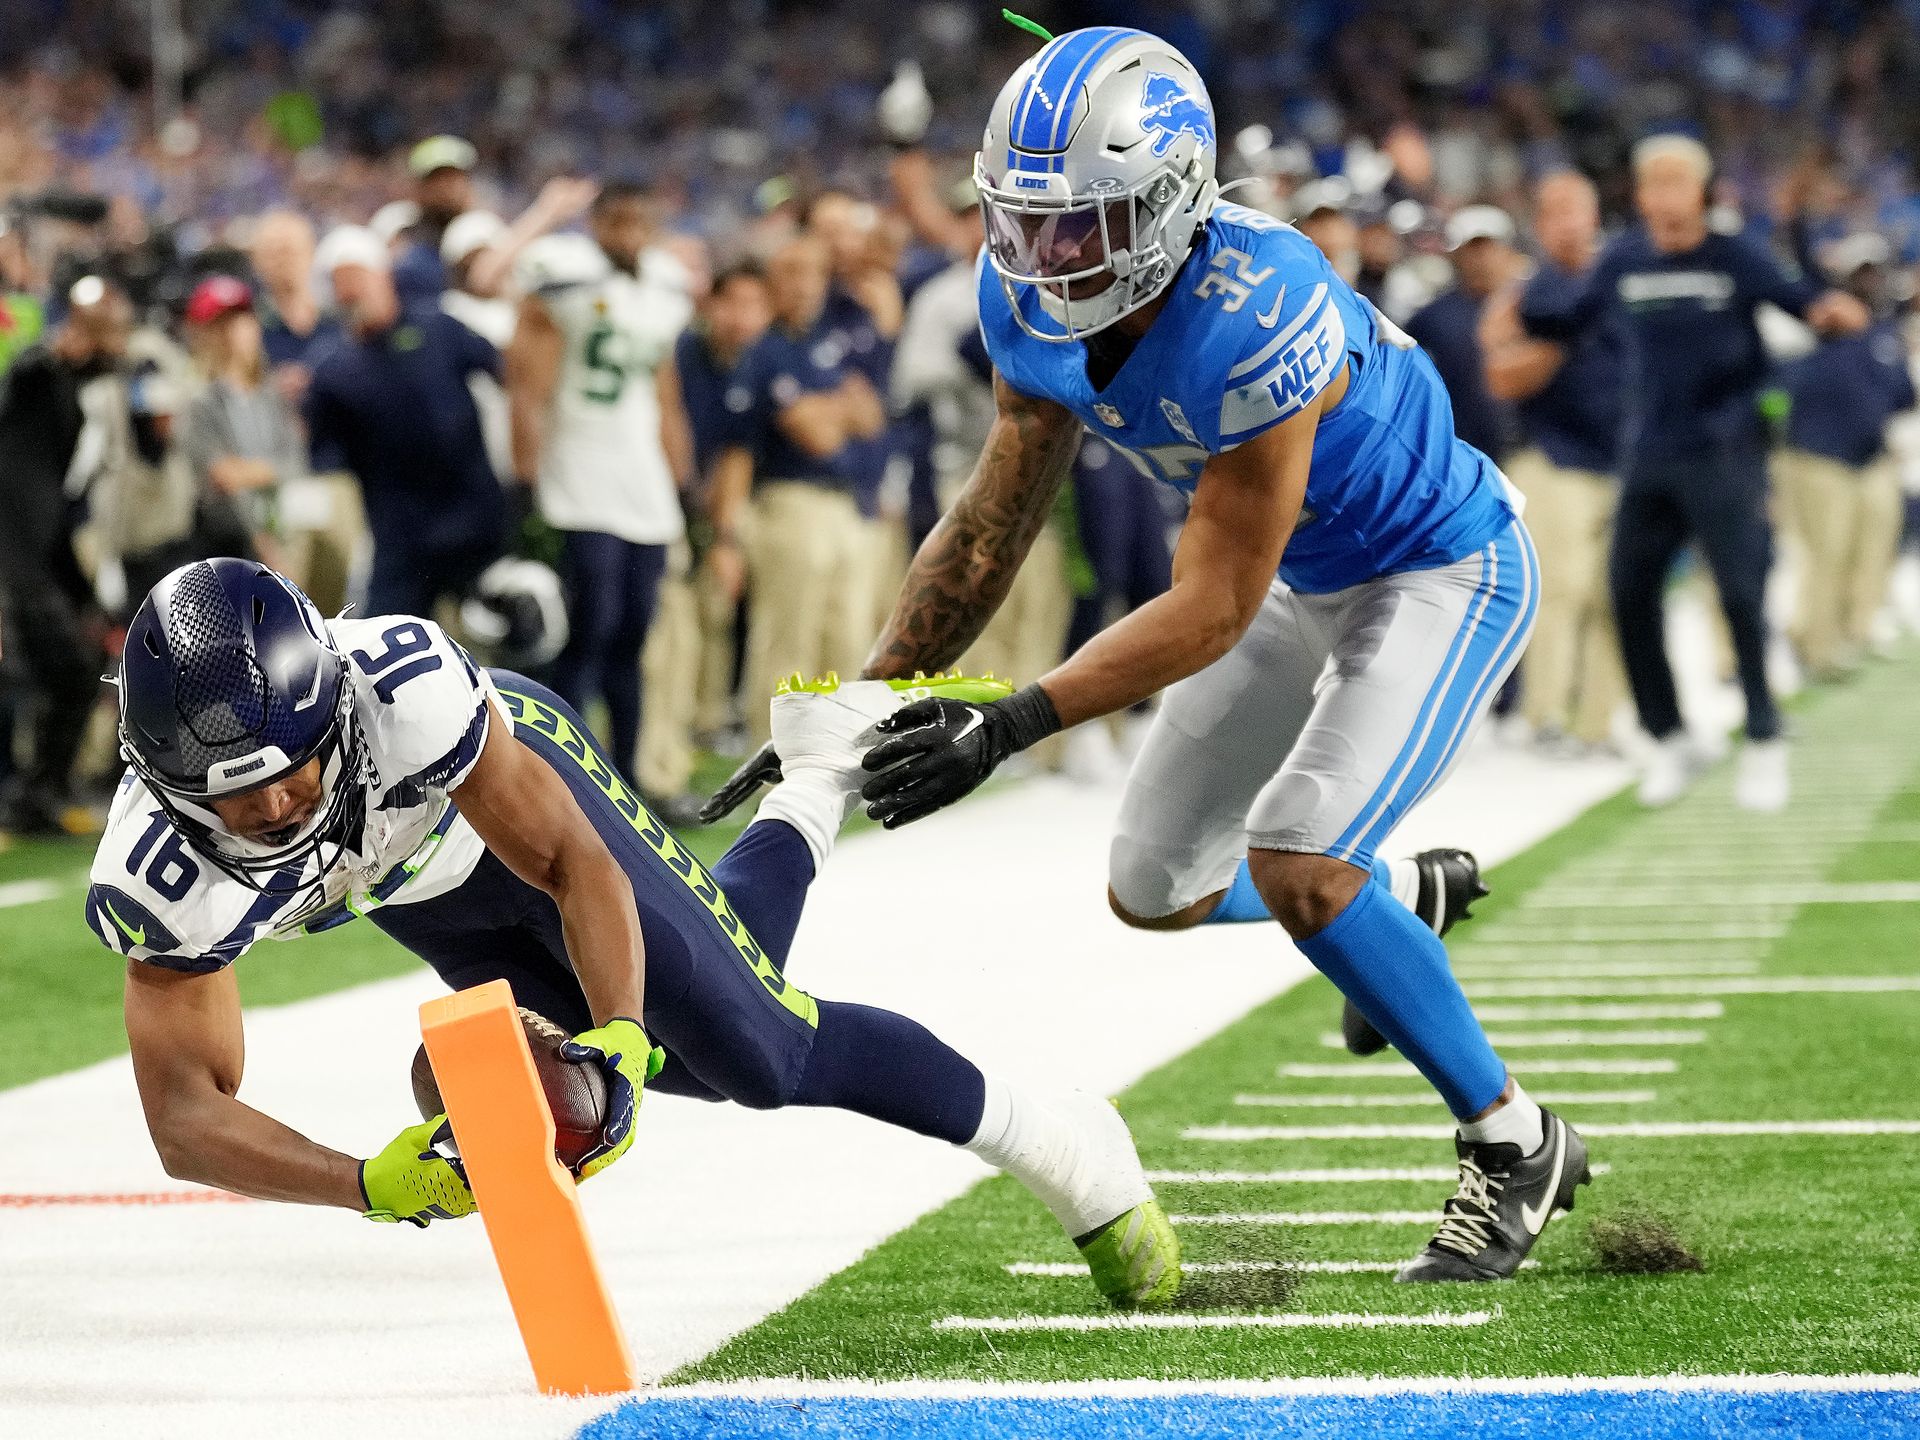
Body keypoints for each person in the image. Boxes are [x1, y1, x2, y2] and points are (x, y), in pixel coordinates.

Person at [711, 26, 1572, 1285]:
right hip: (1293, 578)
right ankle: (1385, 910)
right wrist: (868, 699)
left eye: (1083, 224)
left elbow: (1216, 603)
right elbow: (995, 519)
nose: (1047, 255)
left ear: (1172, 203)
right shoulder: (1027, 296)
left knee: (1297, 863)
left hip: (1434, 568)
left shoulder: (1261, 305)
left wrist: (1007, 721)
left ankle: (1513, 1139)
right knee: (1154, 883)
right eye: (1028, 220)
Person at [88, 557, 1178, 1312]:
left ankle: (1064, 1141)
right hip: (424, 891)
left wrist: (613, 1028)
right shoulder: (161, 881)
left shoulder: (406, 694)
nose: (276, 810)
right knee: (700, 1036)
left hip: (508, 803)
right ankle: (816, 766)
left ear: (331, 704)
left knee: (763, 1051)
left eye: (296, 771)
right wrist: (369, 1182)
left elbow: (570, 867)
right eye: (236, 799)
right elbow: (186, 1119)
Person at [1521, 134, 1870, 812]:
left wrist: (1832, 312)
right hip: (1648, 452)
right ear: (1642, 194)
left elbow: (1803, 304)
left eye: (1681, 181)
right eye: (1656, 182)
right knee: (1626, 596)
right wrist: (1527, 294)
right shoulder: (1622, 259)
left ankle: (1765, 734)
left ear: (1701, 192)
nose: (1668, 195)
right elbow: (1564, 319)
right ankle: (1669, 735)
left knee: (1741, 595)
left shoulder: (1733, 255)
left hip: (1726, 452)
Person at [505, 183, 694, 788]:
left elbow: (666, 393)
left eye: (638, 220)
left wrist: (681, 478)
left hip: (640, 476)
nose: (627, 233)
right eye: (615, 221)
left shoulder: (663, 289)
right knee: (590, 627)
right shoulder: (563, 279)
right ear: (594, 224)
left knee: (635, 631)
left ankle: (631, 779)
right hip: (577, 468)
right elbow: (527, 386)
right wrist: (527, 479)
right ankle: (572, 780)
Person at [708, 234, 888, 750]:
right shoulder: (764, 352)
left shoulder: (833, 341)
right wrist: (836, 410)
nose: (803, 285)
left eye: (812, 272)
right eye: (790, 273)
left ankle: (835, 757)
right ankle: (774, 760)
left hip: (846, 502)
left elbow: (871, 418)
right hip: (788, 501)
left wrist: (824, 409)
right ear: (772, 283)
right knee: (788, 638)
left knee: (848, 638)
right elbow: (816, 434)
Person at [1481, 172, 1627, 751]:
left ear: (1594, 217)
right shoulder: (1526, 292)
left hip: (1620, 457)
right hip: (1553, 455)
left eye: (1577, 210)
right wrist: (1560, 343)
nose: (1568, 223)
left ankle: (1597, 724)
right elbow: (1498, 373)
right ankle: (1544, 717)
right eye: (1555, 212)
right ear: (1540, 225)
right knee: (1561, 588)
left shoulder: (1620, 280)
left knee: (1613, 594)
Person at [305, 224, 506, 618]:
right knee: (385, 656)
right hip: (401, 537)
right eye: (340, 285)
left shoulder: (439, 326)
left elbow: (509, 374)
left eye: (356, 278)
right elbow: (327, 463)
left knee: (500, 644)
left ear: (382, 274)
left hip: (476, 519)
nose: (350, 293)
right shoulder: (331, 370)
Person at [0, 274, 128, 833]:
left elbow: (57, 506)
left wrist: (84, 592)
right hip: (11, 559)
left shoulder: (79, 400)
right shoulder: (37, 377)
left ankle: (38, 793)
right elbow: (26, 372)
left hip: (35, 558)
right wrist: (56, 346)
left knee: (76, 670)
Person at [1773, 234, 1916, 680]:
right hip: (1817, 458)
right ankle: (1815, 643)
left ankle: (1855, 630)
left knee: (1872, 547)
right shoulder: (1807, 331)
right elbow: (1775, 395)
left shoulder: (1883, 335)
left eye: (1874, 272)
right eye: (1861, 273)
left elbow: (1903, 395)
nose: (1869, 281)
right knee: (1824, 554)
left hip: (1870, 457)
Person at [180, 276, 307, 573]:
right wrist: (263, 540)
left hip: (283, 529)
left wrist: (251, 472)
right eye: (222, 324)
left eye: (242, 320)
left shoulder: (272, 394)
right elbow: (222, 477)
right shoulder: (198, 400)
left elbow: (297, 463)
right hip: (224, 547)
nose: (235, 332)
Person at [1405, 205, 1523, 467]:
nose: (1482, 257)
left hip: (1530, 450)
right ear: (1456, 255)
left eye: (1489, 246)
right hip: (1462, 454)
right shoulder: (1431, 319)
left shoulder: (1534, 307)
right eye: (1473, 248)